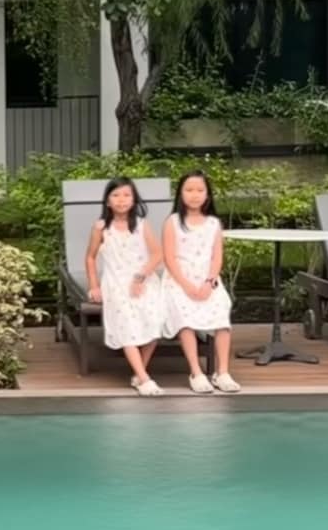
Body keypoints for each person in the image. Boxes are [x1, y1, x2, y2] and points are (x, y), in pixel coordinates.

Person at [85, 177, 167, 396]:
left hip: (143, 280)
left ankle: (138, 373)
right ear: (107, 201)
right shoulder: (101, 228)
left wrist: (141, 277)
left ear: (134, 199)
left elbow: (157, 254)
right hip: (116, 284)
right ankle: (144, 378)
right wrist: (94, 286)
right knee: (127, 326)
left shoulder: (142, 225)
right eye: (115, 195)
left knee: (157, 322)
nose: (121, 200)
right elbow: (90, 257)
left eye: (126, 195)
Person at [161, 169, 240, 394]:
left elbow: (217, 257)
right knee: (185, 319)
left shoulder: (214, 223)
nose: (194, 195)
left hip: (207, 279)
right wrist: (186, 285)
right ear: (180, 194)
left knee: (222, 317)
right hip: (179, 280)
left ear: (207, 194)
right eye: (189, 190)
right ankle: (196, 372)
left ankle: (222, 372)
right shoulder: (172, 222)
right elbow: (169, 258)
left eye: (199, 190)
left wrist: (209, 281)